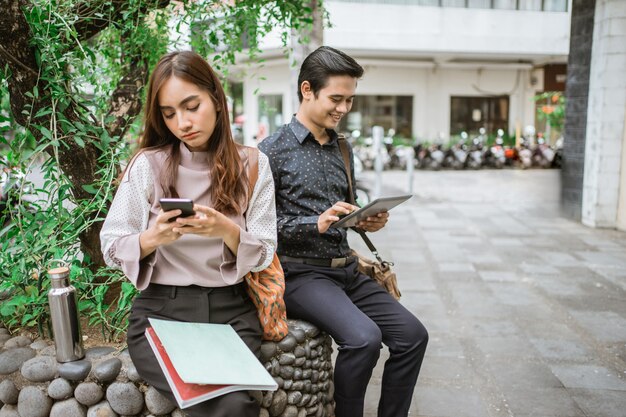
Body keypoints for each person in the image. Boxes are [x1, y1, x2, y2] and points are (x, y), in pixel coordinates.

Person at [100, 50, 276, 417]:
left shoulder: (254, 164)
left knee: (233, 403)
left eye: (191, 106)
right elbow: (111, 244)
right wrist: (152, 239)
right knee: (231, 406)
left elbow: (265, 249)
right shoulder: (149, 165)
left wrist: (226, 229)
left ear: (215, 97)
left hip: (231, 311)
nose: (182, 122)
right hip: (162, 313)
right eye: (169, 113)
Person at [258, 46, 428, 417]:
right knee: (363, 339)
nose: (344, 109)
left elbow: (344, 210)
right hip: (300, 275)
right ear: (307, 90)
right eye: (336, 99)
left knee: (413, 337)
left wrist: (367, 220)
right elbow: (258, 227)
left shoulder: (342, 147)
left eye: (350, 100)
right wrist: (313, 223)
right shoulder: (269, 152)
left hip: (346, 269)